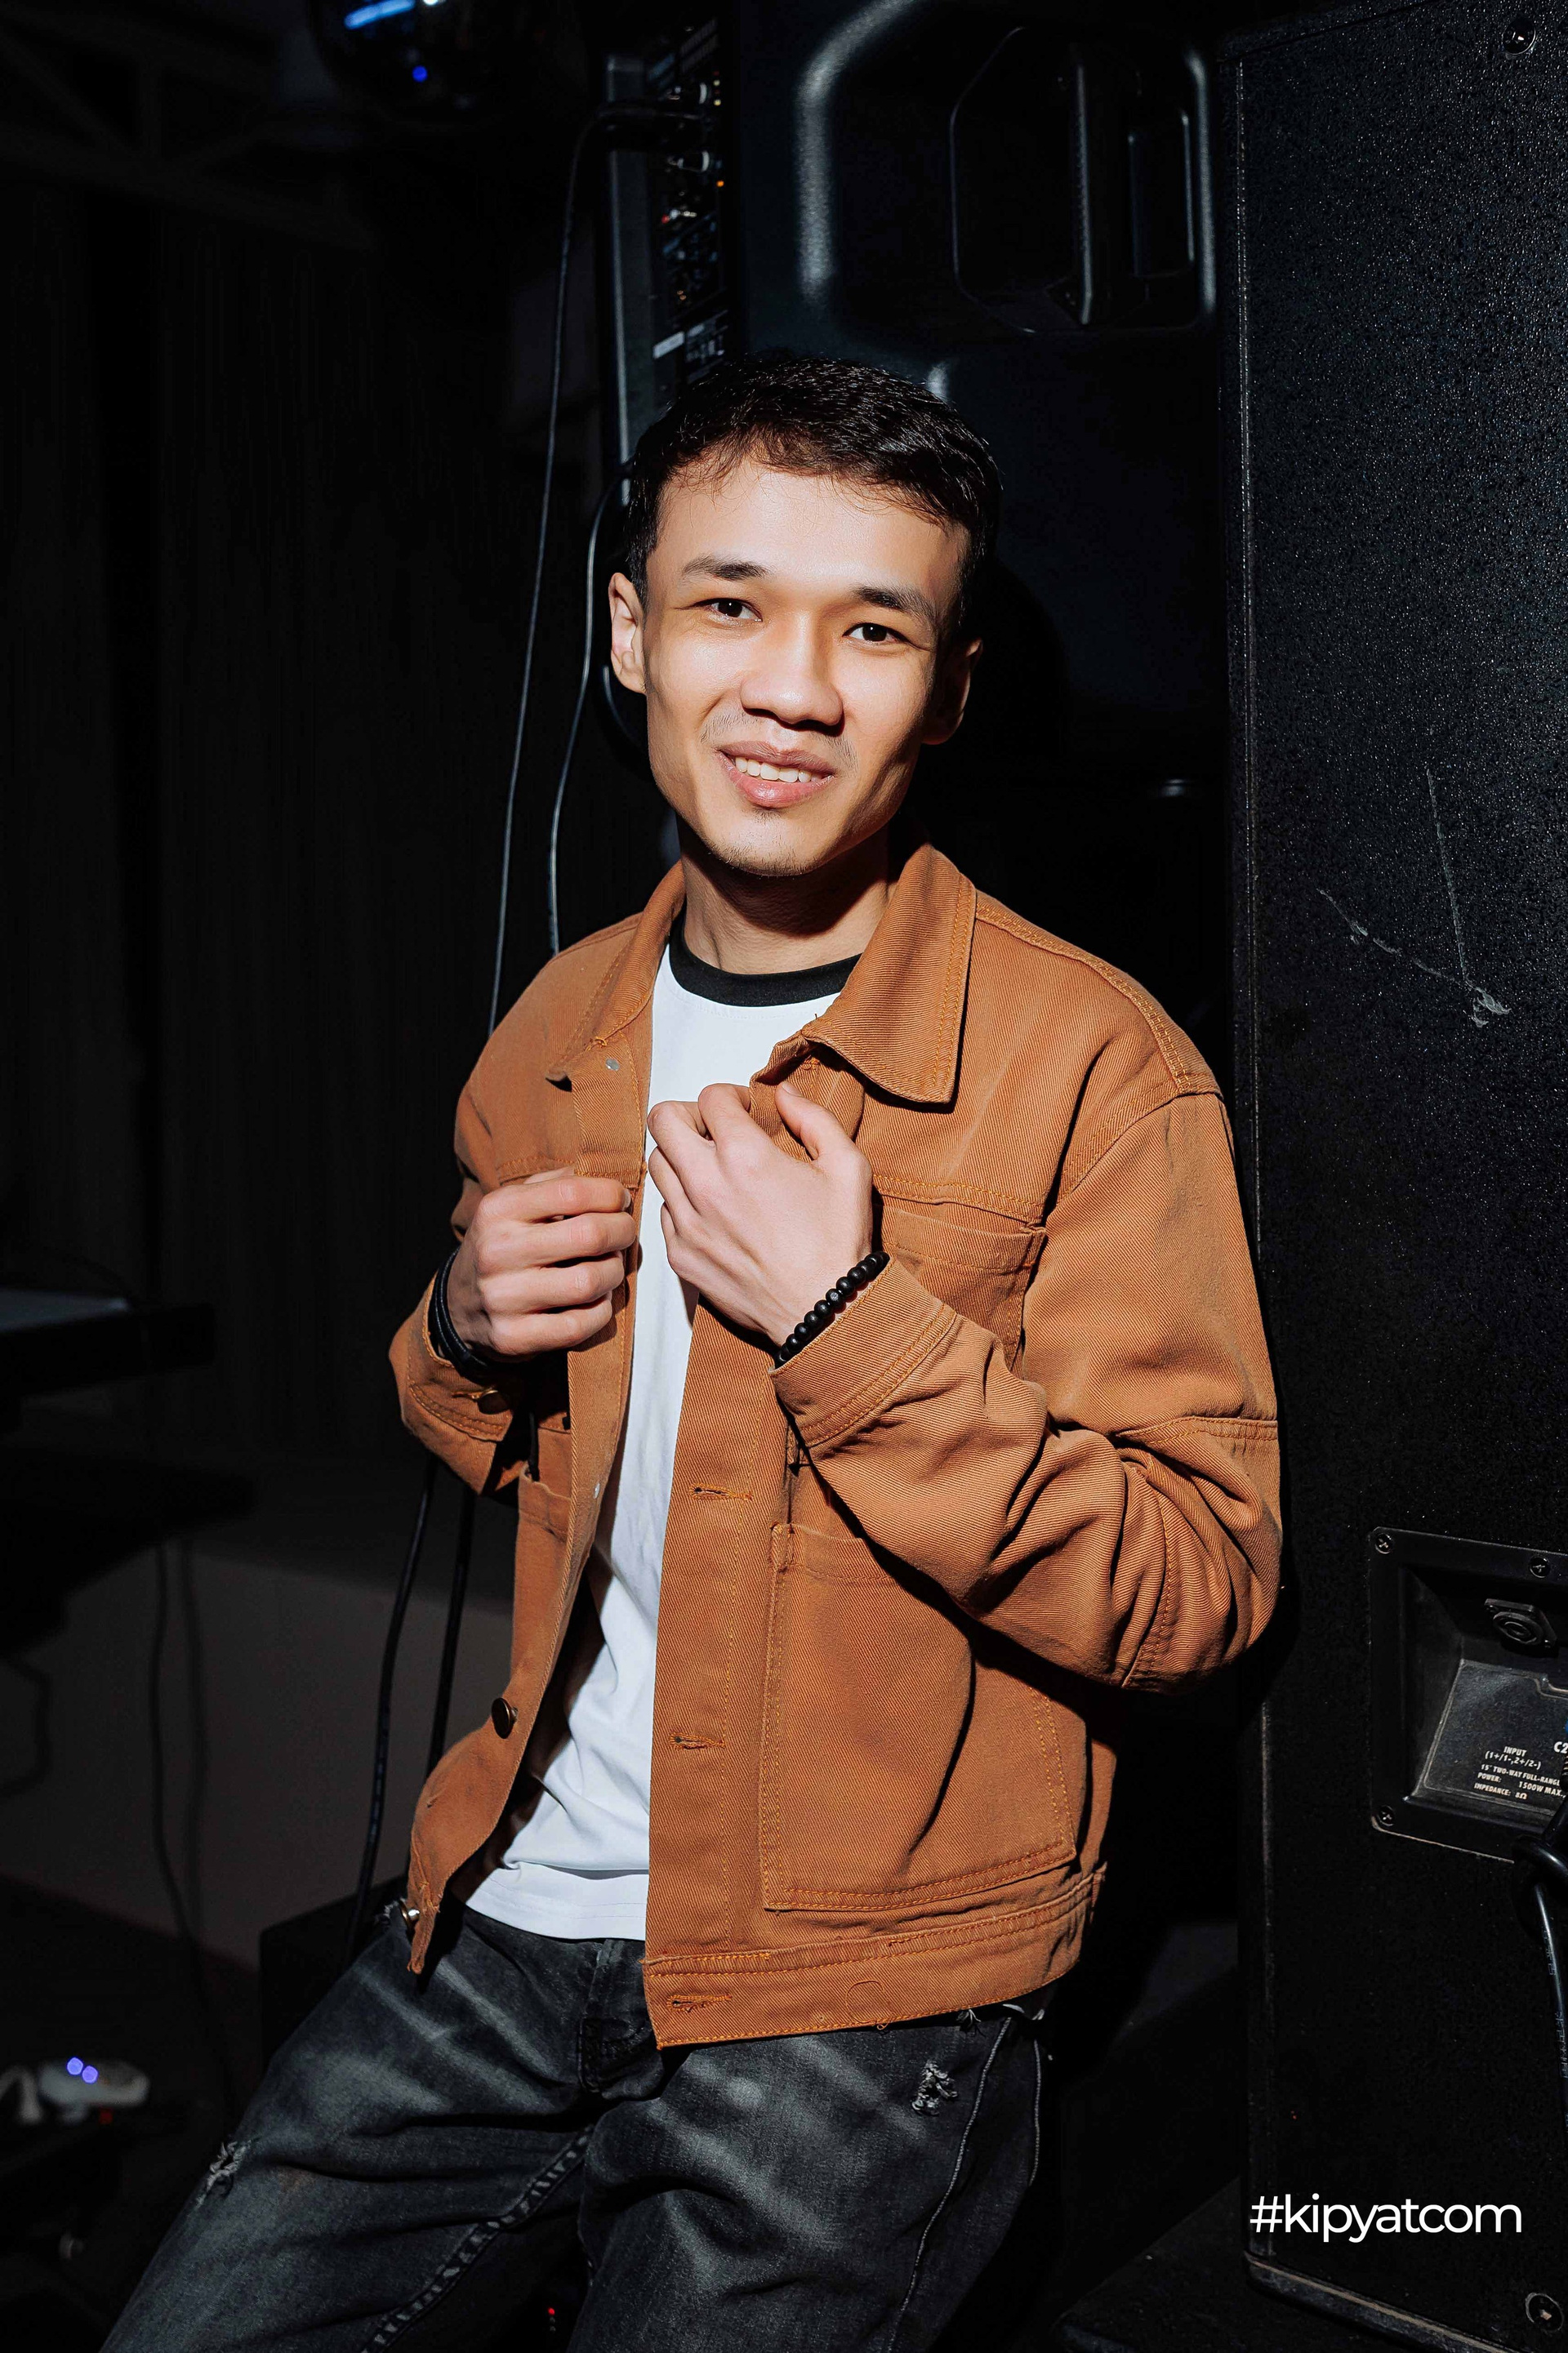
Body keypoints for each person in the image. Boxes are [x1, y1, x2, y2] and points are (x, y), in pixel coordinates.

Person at [107, 353, 1281, 2351]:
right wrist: (460, 1326)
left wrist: (850, 1329)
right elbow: (506, 1431)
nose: (795, 686)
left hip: (857, 1980)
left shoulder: (1098, 1065)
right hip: (508, 1909)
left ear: (951, 688)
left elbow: (1205, 1591)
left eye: (874, 628)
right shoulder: (557, 1029)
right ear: (632, 633)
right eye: (732, 602)